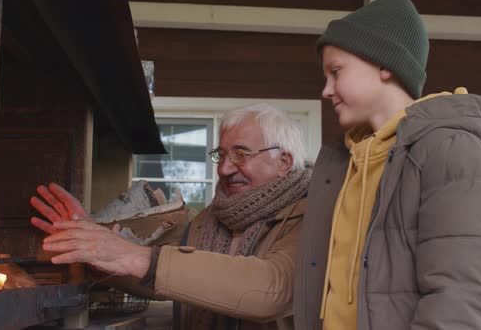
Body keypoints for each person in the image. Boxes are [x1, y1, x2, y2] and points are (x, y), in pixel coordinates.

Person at [293, 0, 481, 329]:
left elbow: (463, 303)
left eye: (336, 72)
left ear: (385, 65)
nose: (326, 90)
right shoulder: (351, 162)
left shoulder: (452, 148)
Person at [30, 104, 311, 329]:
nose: (225, 169)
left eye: (241, 154)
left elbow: (272, 291)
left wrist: (139, 257)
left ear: (283, 162)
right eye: (221, 155)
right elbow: (172, 282)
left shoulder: (313, 215)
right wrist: (91, 250)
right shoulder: (210, 219)